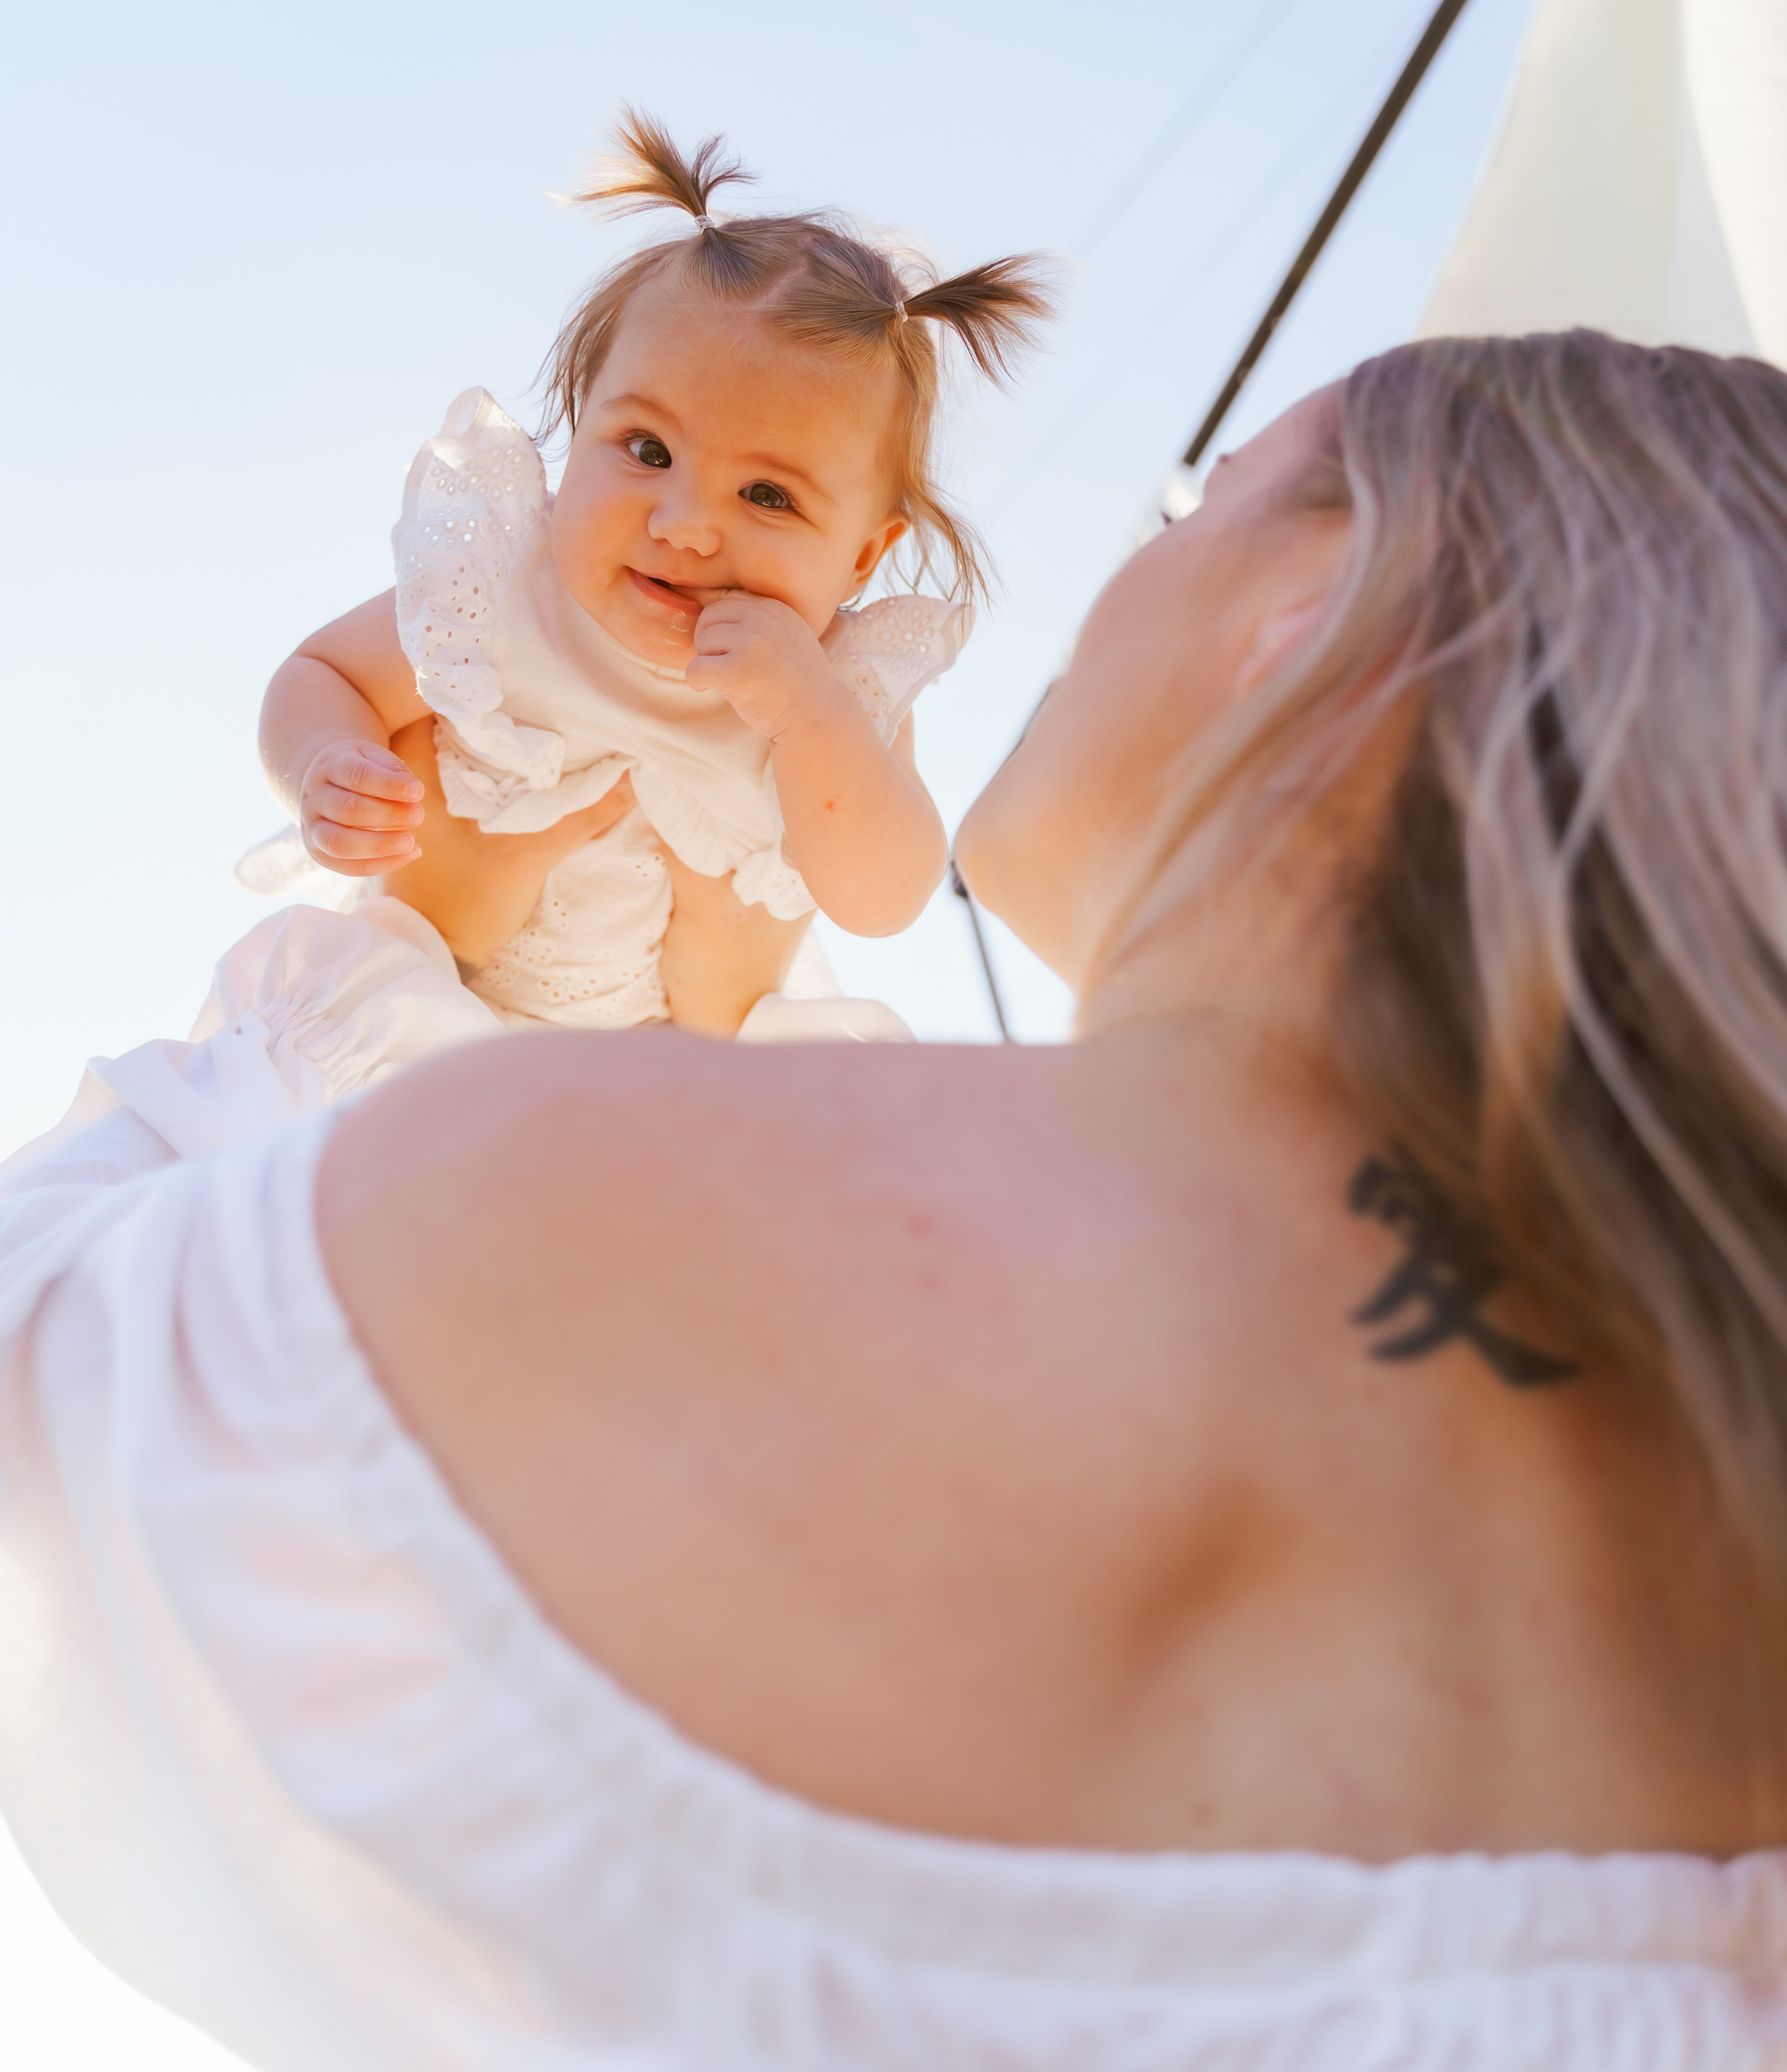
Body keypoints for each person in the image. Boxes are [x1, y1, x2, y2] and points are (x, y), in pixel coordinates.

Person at [3, 329, 1787, 2070]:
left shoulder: (587, 1194)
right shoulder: (1724, 1594)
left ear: (1307, 625)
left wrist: (377, 971)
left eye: (1201, 501)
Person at [241, 107, 1051, 1052]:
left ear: (863, 558)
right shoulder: (506, 594)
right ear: (578, 427)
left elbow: (884, 898)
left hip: (669, 1087)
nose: (684, 526)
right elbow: (322, 673)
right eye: (647, 450)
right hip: (416, 1034)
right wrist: (324, 762)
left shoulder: (835, 689)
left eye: (767, 496)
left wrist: (809, 716)